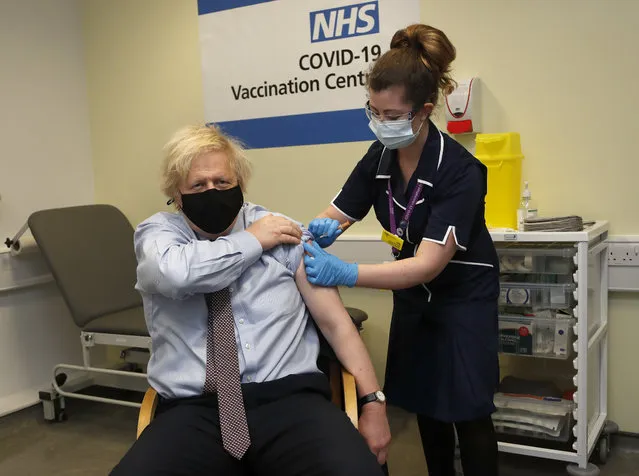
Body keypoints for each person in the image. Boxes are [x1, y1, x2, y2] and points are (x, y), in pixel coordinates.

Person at [110, 124, 391, 476]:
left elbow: (335, 324)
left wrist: (373, 404)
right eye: (198, 185)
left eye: (223, 182)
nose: (212, 191)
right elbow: (174, 274)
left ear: (240, 184)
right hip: (193, 410)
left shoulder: (282, 230)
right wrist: (253, 241)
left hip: (290, 401)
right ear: (176, 196)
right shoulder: (159, 235)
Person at [302, 24, 500, 476]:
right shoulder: (378, 158)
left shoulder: (460, 170)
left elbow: (428, 264)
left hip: (462, 298)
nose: (379, 121)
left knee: (468, 413)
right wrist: (315, 230)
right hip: (414, 300)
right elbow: (336, 212)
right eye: (373, 110)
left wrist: (347, 272)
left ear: (424, 110)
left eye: (391, 114)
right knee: (427, 405)